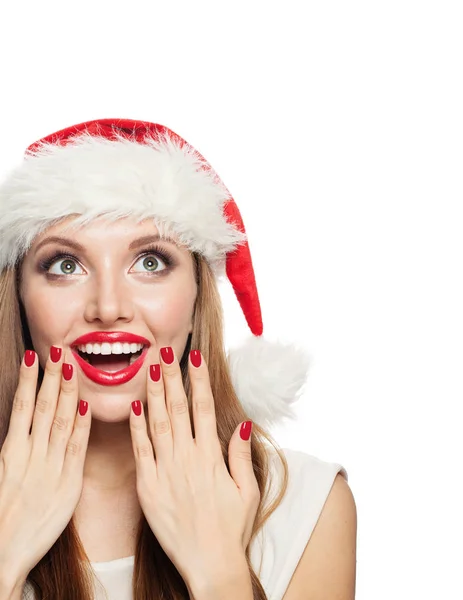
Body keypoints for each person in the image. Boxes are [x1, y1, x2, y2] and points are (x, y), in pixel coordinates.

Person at [0, 119, 357, 600]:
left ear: (196, 298)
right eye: (65, 265)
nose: (108, 307)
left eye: (150, 262)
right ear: (20, 298)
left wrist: (219, 574)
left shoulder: (304, 505)